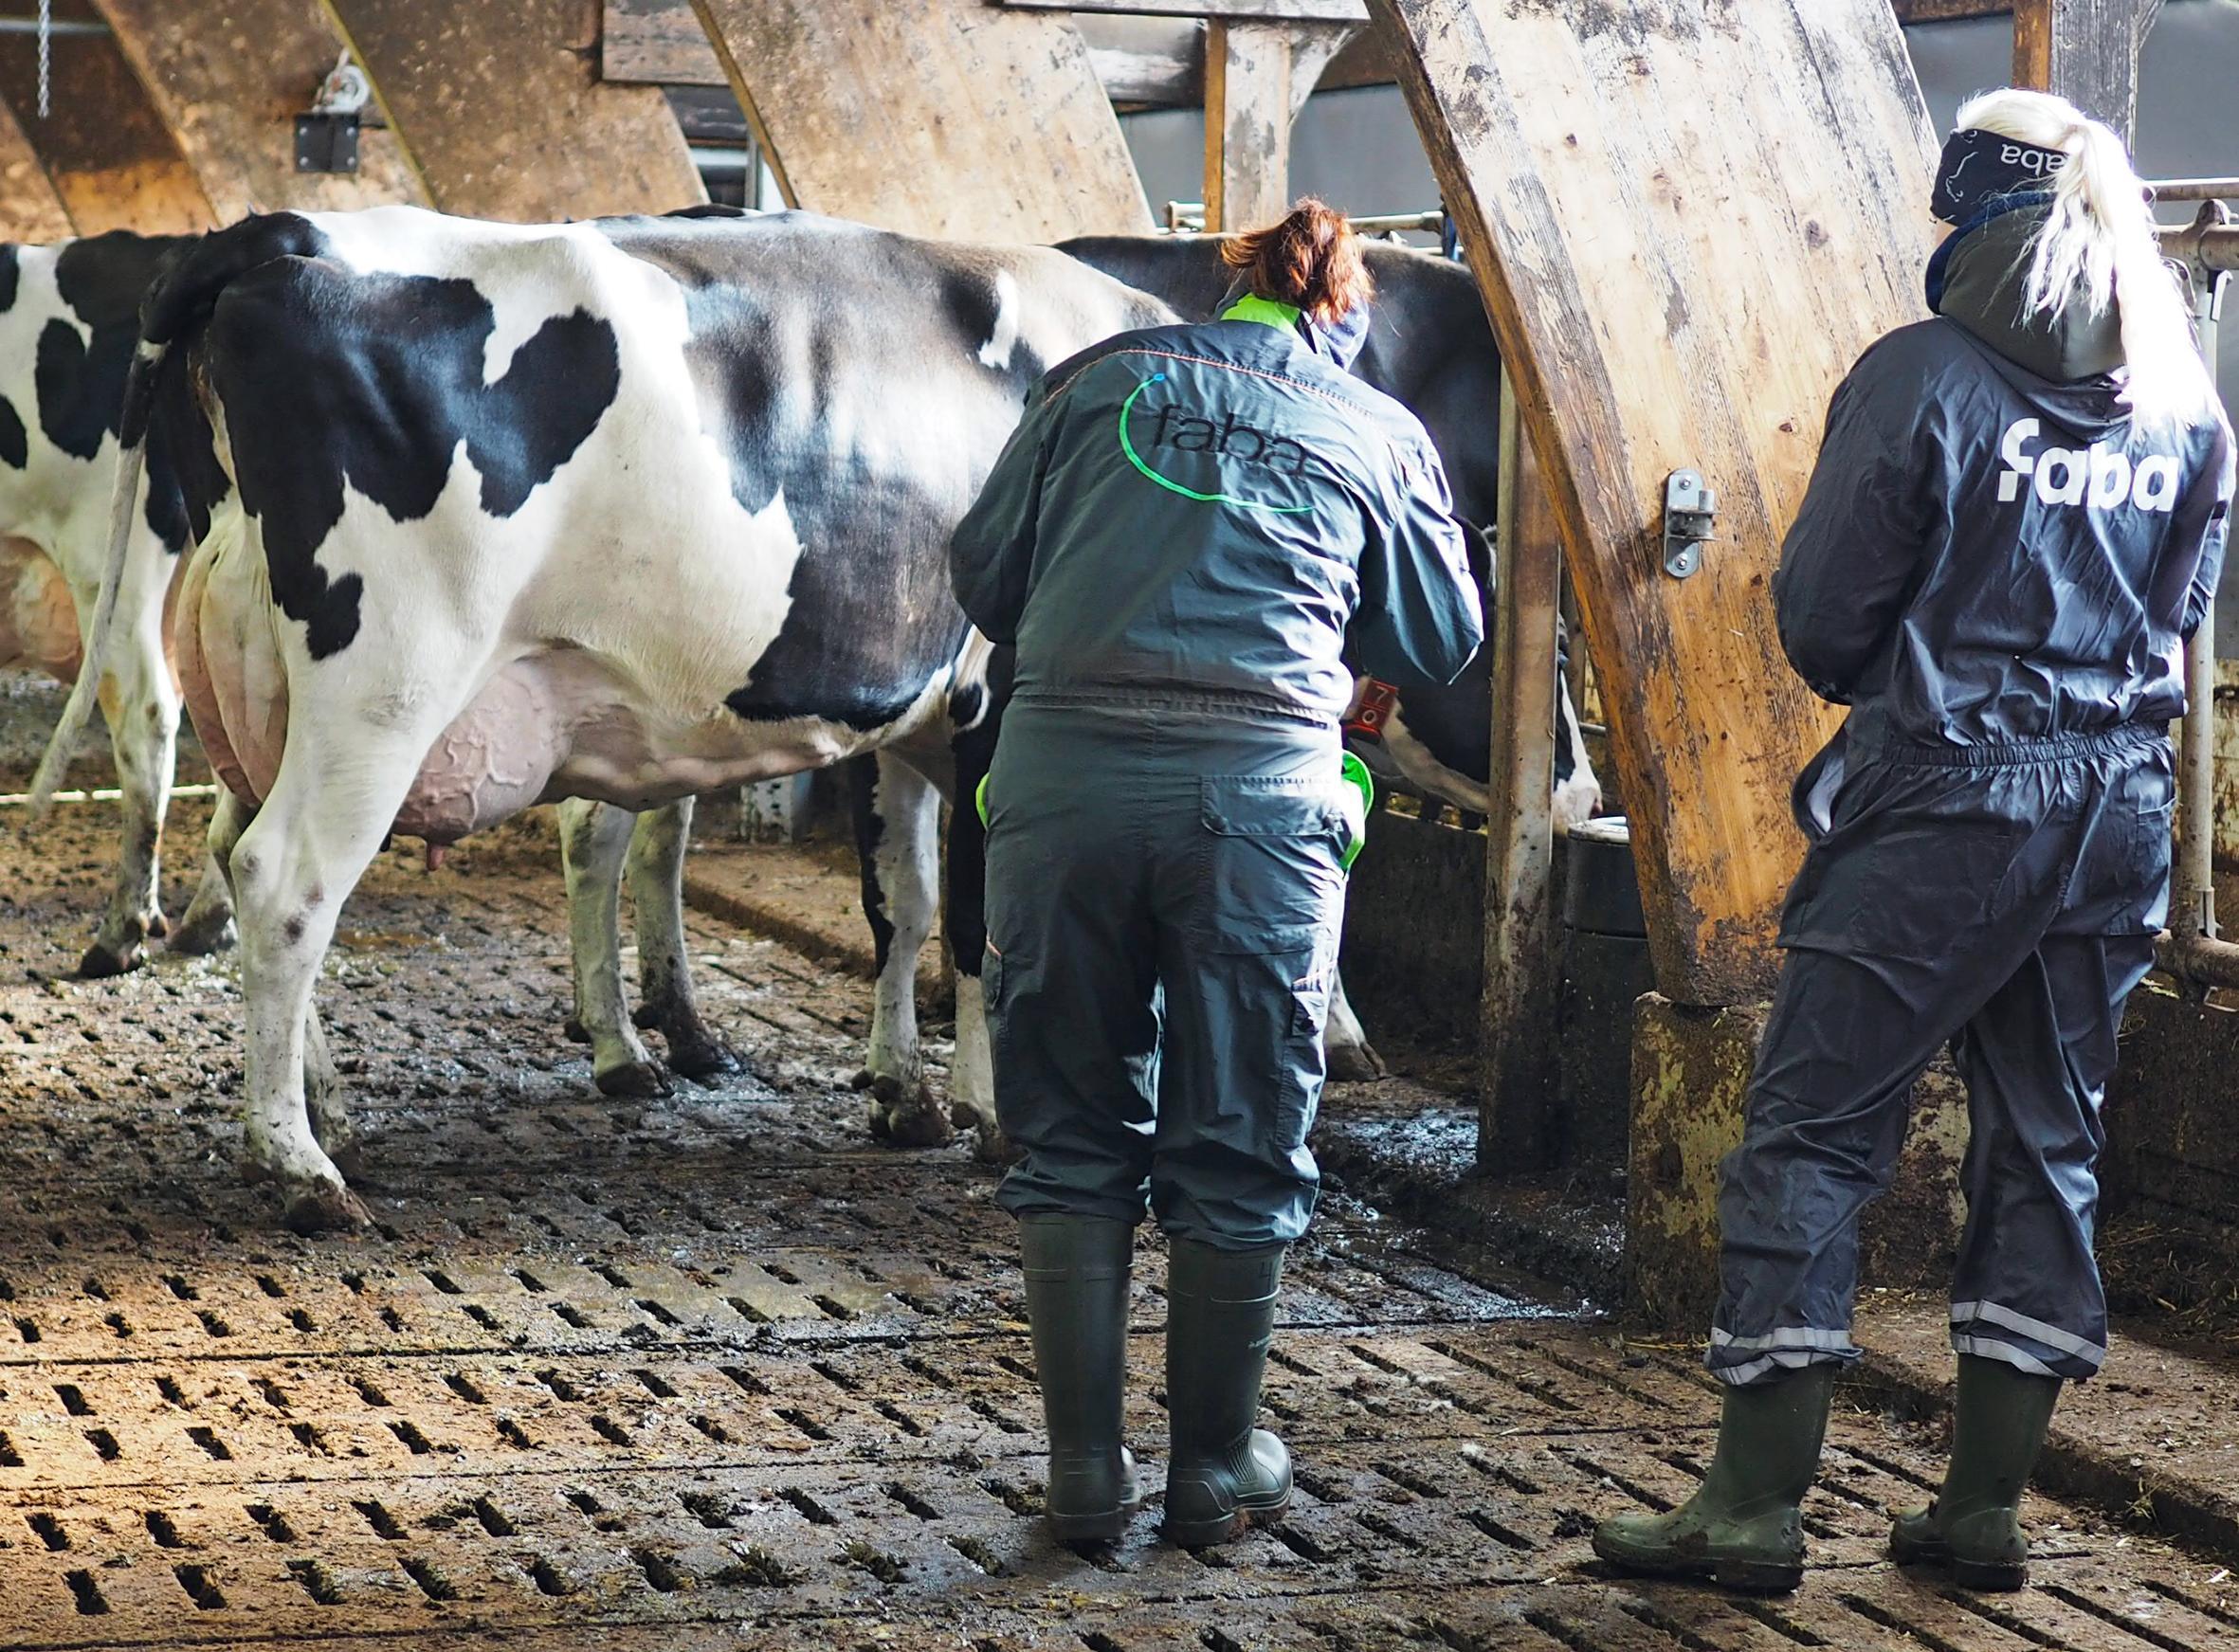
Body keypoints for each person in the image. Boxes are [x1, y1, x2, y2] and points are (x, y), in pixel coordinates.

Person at [1594, 89, 2232, 1595]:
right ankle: (1980, 1514)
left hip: (1945, 806)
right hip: (2117, 812)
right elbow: (2183, 609)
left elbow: (1822, 622)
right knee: (2048, 1139)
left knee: (1813, 1134)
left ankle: (1749, 1511)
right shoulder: (2182, 389)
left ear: (1969, 216)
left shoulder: (1922, 376)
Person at [950, 200, 1484, 1547]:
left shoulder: (1094, 383)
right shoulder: (1373, 427)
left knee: (1068, 1126)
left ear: (1225, 284)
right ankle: (1211, 1469)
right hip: (1256, 807)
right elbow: (1436, 639)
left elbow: (984, 575)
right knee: (1243, 1128)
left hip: (1058, 785)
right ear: (1341, 313)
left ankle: (1082, 1477)